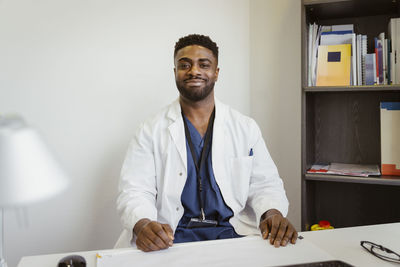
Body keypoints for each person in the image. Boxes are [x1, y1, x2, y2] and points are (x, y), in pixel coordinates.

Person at [115, 34, 297, 251]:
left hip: (231, 235)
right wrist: (143, 223)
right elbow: (134, 190)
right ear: (175, 73)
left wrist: (272, 213)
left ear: (216, 73)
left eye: (204, 64)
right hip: (171, 239)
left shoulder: (245, 127)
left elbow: (265, 184)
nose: (194, 71)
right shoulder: (150, 130)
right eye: (185, 65)